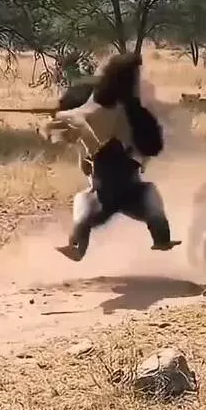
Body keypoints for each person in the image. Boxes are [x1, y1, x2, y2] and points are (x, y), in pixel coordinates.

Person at [45, 52, 181, 261]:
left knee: (85, 204)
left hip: (109, 193)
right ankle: (161, 238)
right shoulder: (129, 111)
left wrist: (60, 116)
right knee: (149, 198)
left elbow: (81, 117)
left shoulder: (112, 109)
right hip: (125, 191)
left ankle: (77, 246)